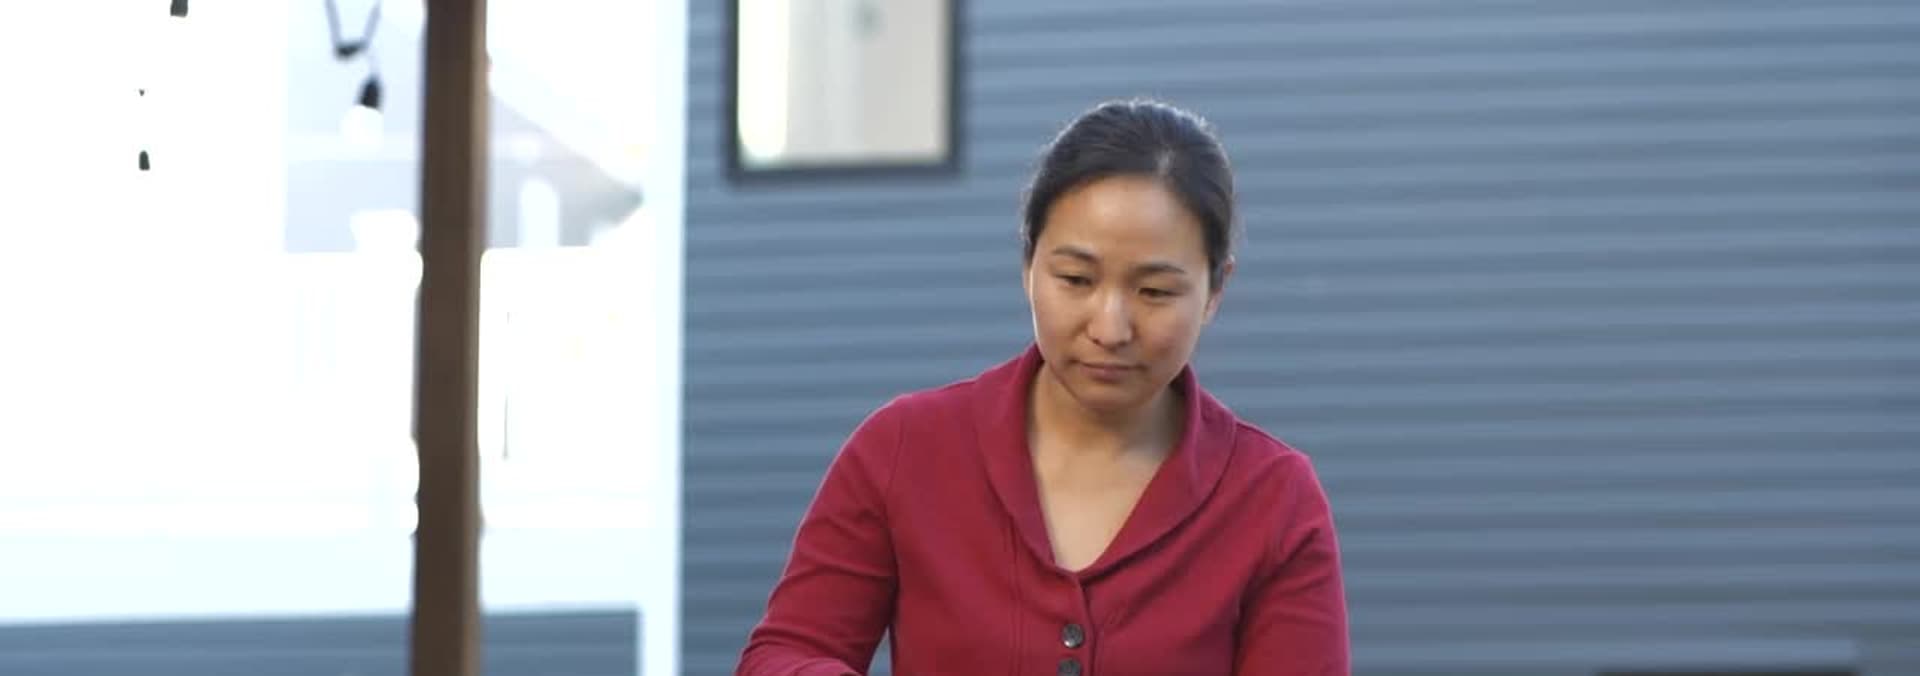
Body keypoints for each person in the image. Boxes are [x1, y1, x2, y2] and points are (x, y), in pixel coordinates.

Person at [735, 99, 1350, 676]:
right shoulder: (904, 448)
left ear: (1215, 290)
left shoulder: (1275, 500)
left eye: (1155, 291)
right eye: (1076, 279)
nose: (1109, 328)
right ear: (1029, 265)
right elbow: (786, 652)